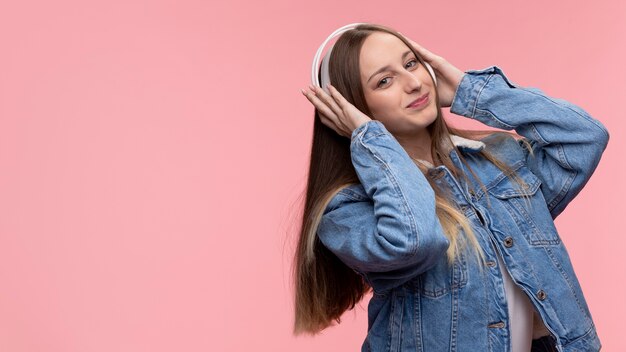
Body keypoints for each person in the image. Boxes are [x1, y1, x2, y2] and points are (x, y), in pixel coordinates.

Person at [293, 23, 609, 352]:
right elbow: (414, 239)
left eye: (411, 63)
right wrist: (369, 138)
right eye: (384, 81)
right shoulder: (346, 209)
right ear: (351, 107)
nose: (414, 83)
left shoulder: (496, 160)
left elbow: (584, 138)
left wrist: (468, 91)